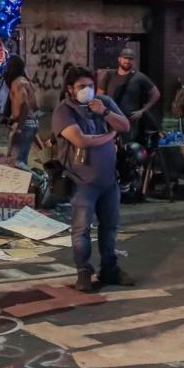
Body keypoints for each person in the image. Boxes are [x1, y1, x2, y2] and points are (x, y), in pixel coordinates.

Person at [52, 66, 132, 291]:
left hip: (109, 180)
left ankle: (110, 269)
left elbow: (125, 125)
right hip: (82, 182)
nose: (87, 90)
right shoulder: (64, 110)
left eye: (90, 86)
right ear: (70, 89)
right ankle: (84, 271)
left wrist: (105, 112)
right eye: (81, 87)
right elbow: (80, 140)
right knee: (81, 230)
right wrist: (109, 135)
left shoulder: (103, 102)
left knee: (110, 228)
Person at [100, 49, 160, 142]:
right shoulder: (109, 75)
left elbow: (156, 93)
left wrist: (143, 110)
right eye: (125, 58)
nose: (127, 61)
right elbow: (99, 96)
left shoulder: (139, 77)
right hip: (111, 120)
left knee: (128, 149)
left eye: (130, 59)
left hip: (130, 123)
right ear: (119, 59)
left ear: (134, 61)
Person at [3, 56, 38, 168]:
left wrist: (18, 129)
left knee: (15, 162)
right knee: (21, 161)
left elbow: (25, 105)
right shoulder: (26, 81)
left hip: (23, 125)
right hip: (28, 123)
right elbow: (35, 107)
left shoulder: (18, 83)